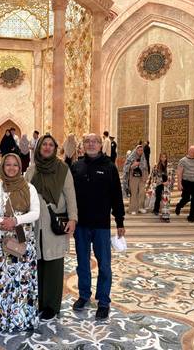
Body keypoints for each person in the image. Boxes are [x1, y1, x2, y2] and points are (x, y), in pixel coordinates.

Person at [0, 153, 40, 338]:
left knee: (20, 283)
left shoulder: (28, 188)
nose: (12, 168)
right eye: (8, 164)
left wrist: (15, 220)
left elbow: (35, 212)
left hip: (21, 244)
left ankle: (21, 320)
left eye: (15, 165)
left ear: (20, 167)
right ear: (2, 166)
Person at [71, 133, 125, 320]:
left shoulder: (109, 167)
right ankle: (84, 295)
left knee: (104, 265)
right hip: (81, 226)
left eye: (95, 142)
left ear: (101, 145)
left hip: (102, 225)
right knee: (83, 264)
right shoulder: (76, 166)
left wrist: (120, 221)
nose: (91, 144)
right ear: (83, 145)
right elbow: (69, 197)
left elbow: (117, 195)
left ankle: (103, 301)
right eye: (87, 141)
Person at [25, 135, 77, 321]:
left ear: (55, 148)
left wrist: (73, 219)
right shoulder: (32, 170)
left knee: (54, 265)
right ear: (38, 148)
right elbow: (24, 194)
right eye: (44, 145)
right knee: (37, 264)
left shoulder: (62, 169)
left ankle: (51, 306)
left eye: (50, 145)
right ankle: (39, 302)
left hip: (54, 224)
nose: (47, 148)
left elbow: (70, 194)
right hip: (35, 224)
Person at [175, 146, 194, 223]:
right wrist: (179, 184)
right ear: (188, 151)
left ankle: (191, 217)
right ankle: (179, 206)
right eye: (192, 152)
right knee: (186, 198)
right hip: (186, 182)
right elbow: (179, 173)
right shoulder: (182, 161)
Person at [146, 153, 176, 222]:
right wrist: (150, 186)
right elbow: (152, 176)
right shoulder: (156, 166)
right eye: (162, 157)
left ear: (166, 158)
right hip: (159, 185)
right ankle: (156, 210)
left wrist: (169, 182)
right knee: (158, 198)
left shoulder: (169, 166)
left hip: (166, 186)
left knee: (166, 201)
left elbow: (173, 176)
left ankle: (166, 216)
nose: (163, 158)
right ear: (160, 158)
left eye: (165, 157)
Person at [123, 145, 148, 214]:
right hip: (133, 178)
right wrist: (133, 165)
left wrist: (145, 177)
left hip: (141, 178)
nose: (140, 152)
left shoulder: (143, 158)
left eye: (142, 150)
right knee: (134, 193)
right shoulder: (131, 158)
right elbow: (125, 168)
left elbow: (145, 168)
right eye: (139, 150)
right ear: (136, 150)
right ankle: (133, 209)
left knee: (142, 192)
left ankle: (140, 207)